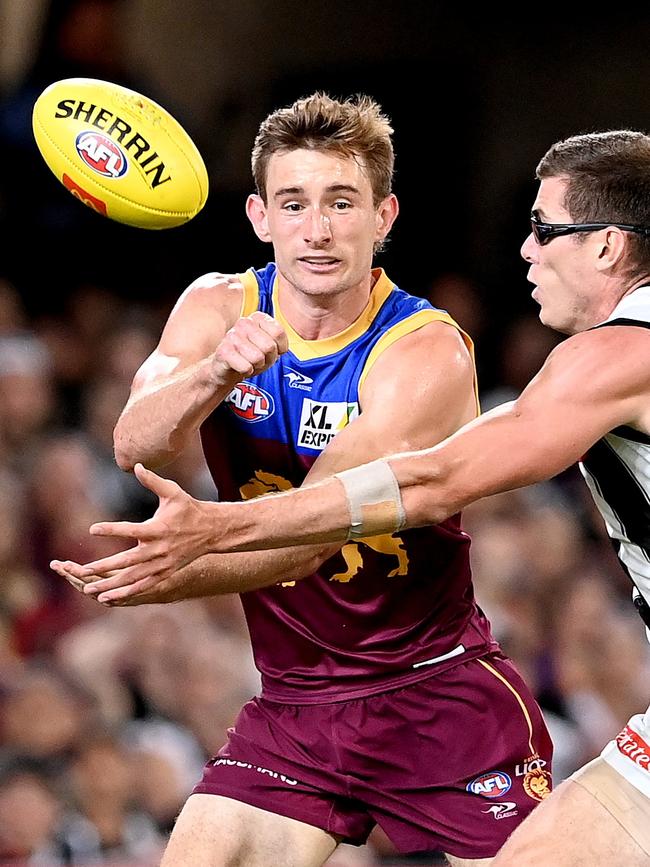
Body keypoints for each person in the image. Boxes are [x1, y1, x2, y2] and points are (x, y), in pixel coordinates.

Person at [55, 127, 650, 865]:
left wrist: (197, 544)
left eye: (543, 229)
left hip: (434, 697)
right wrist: (211, 376)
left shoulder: (458, 349)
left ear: (383, 216)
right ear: (259, 216)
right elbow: (134, 443)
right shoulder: (219, 305)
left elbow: (407, 495)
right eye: (294, 203)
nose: (525, 250)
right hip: (296, 703)